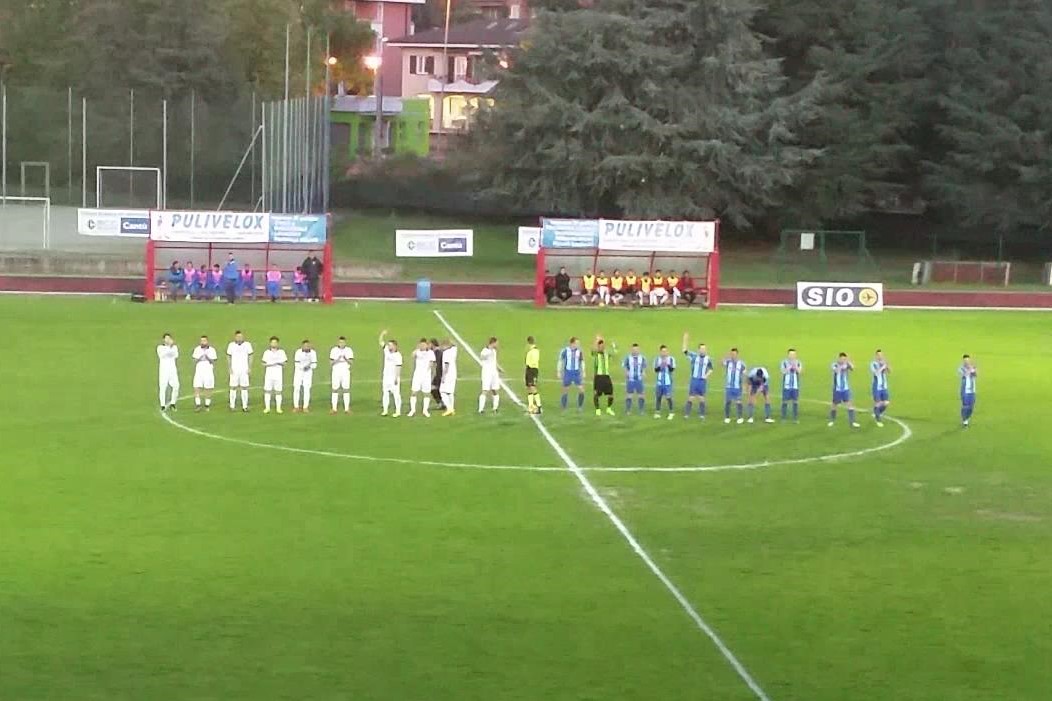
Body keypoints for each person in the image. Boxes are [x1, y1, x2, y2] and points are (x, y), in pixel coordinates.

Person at [681, 332, 713, 419]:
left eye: (704, 349)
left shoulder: (708, 359)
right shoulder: (694, 356)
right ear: (698, 350)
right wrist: (685, 339)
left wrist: (706, 376)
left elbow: (711, 369)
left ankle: (702, 414)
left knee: (701, 398)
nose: (703, 350)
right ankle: (687, 414)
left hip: (702, 381)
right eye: (702, 349)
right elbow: (684, 350)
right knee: (691, 397)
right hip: (694, 380)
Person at [829, 352, 861, 428]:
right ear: (839, 358)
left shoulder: (846, 364)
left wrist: (848, 362)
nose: (843, 360)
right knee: (834, 405)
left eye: (844, 359)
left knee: (849, 404)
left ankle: (852, 422)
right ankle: (832, 420)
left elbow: (853, 368)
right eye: (842, 359)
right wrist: (841, 366)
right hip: (837, 389)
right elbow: (836, 371)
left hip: (845, 389)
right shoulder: (835, 364)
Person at [407, 338, 436, 418]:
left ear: (427, 345)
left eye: (424, 344)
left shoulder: (430, 353)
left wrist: (428, 370)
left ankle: (425, 410)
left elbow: (431, 363)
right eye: (421, 344)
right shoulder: (417, 352)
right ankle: (412, 410)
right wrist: (417, 349)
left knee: (426, 393)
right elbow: (412, 355)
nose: (422, 346)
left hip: (426, 377)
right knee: (414, 392)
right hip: (417, 376)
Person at [226, 330, 253, 412]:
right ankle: (232, 406)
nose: (239, 338)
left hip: (244, 369)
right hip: (234, 369)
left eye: (241, 336)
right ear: (235, 337)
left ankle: (245, 406)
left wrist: (249, 367)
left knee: (244, 387)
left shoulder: (247, 345)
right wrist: (229, 367)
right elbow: (228, 356)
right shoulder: (231, 345)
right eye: (238, 337)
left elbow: (251, 356)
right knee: (233, 387)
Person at [378, 330, 403, 417]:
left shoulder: (398, 355)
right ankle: (385, 410)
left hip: (393, 377)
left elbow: (398, 367)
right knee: (385, 393)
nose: (389, 346)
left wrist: (396, 377)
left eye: (390, 345)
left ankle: (398, 411)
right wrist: (382, 334)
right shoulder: (386, 351)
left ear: (395, 346)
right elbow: (381, 341)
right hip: (386, 376)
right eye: (388, 345)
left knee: (396, 394)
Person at [558, 336, 586, 411]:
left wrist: (583, 371)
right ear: (572, 343)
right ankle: (563, 407)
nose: (578, 344)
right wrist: (559, 371)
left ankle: (580, 407)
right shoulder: (565, 351)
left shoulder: (579, 351)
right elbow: (560, 361)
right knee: (565, 390)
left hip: (576, 372)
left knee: (581, 390)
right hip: (568, 372)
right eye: (577, 343)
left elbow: (582, 362)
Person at [261, 336, 288, 414]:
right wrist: (270, 364)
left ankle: (278, 408)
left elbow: (285, 362)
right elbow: (263, 363)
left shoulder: (281, 352)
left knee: (278, 391)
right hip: (269, 375)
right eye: (272, 342)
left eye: (275, 342)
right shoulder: (266, 352)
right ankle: (267, 408)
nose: (274, 344)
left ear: (278, 343)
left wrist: (279, 363)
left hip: (278, 375)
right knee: (267, 391)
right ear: (270, 343)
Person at [191, 335, 218, 412]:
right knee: (197, 386)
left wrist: (207, 357)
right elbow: (194, 360)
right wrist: (200, 357)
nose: (203, 342)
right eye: (201, 341)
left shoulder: (212, 350)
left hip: (208, 370)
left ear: (207, 341)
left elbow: (213, 361)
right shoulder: (197, 349)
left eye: (204, 341)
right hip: (199, 370)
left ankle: (207, 404)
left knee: (208, 387)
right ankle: (198, 404)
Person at [592, 336, 616, 416]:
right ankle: (597, 409)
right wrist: (596, 340)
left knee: (611, 394)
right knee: (597, 394)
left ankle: (608, 408)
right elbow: (593, 349)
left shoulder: (606, 353)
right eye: (600, 346)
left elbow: (615, 353)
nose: (602, 347)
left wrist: (613, 345)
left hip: (606, 376)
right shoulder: (595, 353)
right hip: (598, 376)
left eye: (603, 346)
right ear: (598, 347)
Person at [329, 336, 354, 414]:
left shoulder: (349, 350)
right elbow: (331, 363)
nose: (341, 344)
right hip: (336, 371)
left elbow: (351, 362)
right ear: (338, 343)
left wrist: (346, 359)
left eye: (343, 342)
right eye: (340, 342)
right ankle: (334, 408)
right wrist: (338, 359)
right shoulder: (334, 350)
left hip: (345, 371)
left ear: (345, 343)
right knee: (335, 389)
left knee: (346, 389)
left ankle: (347, 409)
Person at [292, 339, 318, 413]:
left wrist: (309, 367)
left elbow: (314, 364)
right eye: (305, 346)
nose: (306, 347)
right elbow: (296, 363)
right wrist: (303, 367)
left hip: (308, 373)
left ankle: (305, 407)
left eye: (308, 345)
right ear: (302, 346)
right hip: (298, 372)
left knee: (307, 389)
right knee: (296, 388)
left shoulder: (313, 353)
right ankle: (296, 406)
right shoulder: (298, 352)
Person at [157, 333, 179, 411]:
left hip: (172, 370)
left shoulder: (174, 347)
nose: (168, 340)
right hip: (163, 370)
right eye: (166, 338)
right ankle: (162, 405)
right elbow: (162, 355)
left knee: (176, 386)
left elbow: (176, 355)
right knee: (163, 387)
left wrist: (170, 348)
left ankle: (173, 403)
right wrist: (170, 349)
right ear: (163, 339)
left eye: (169, 338)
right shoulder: (160, 347)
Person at [723, 348, 746, 424]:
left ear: (737, 354)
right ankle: (727, 417)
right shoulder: (728, 362)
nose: (733, 355)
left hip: (737, 386)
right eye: (732, 354)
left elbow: (744, 374)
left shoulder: (741, 364)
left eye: (734, 354)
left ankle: (740, 417)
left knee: (738, 402)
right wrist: (726, 356)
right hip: (729, 386)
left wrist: (744, 384)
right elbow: (720, 363)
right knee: (728, 401)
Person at [622, 343, 647, 414]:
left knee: (641, 395)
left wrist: (644, 373)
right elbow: (625, 366)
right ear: (631, 350)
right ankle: (628, 410)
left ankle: (641, 410)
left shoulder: (642, 358)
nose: (635, 351)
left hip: (639, 379)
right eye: (634, 349)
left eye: (636, 349)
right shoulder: (627, 358)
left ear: (639, 350)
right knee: (629, 395)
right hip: (631, 380)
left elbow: (644, 367)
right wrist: (626, 372)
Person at [652, 345, 676, 420]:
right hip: (659, 382)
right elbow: (656, 370)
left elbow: (672, 370)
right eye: (663, 351)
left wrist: (667, 364)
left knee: (668, 397)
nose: (664, 353)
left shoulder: (671, 359)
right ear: (660, 352)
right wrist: (661, 365)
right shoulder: (657, 359)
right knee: (658, 397)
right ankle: (657, 412)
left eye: (665, 351)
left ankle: (671, 412)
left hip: (668, 382)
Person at [479, 337, 501, 414]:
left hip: (494, 373)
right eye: (496, 343)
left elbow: (494, 361)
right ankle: (481, 409)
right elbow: (481, 357)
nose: (497, 345)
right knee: (485, 390)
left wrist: (499, 368)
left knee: (495, 390)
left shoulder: (494, 351)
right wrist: (488, 354)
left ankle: (495, 408)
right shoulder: (485, 351)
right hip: (486, 373)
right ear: (493, 343)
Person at [780, 349, 803, 422]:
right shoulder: (784, 362)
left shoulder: (798, 362)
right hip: (786, 386)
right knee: (785, 401)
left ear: (795, 355)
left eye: (793, 354)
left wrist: (795, 367)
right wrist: (790, 367)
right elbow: (783, 371)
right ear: (788, 355)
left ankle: (795, 418)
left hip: (795, 386)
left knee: (795, 401)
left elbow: (799, 372)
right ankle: (783, 417)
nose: (792, 356)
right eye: (790, 354)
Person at [870, 349, 891, 427]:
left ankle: (876, 413)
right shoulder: (873, 363)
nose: (880, 356)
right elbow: (876, 373)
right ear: (876, 356)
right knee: (878, 403)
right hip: (876, 387)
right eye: (878, 355)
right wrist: (882, 367)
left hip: (884, 386)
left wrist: (887, 366)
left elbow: (889, 371)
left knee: (886, 403)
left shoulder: (884, 362)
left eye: (881, 355)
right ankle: (878, 420)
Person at [440, 339, 458, 416]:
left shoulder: (446, 353)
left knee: (442, 391)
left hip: (448, 375)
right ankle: (452, 408)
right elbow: (455, 345)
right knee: (450, 392)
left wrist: (443, 376)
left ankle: (449, 408)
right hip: (453, 374)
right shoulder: (453, 350)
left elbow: (446, 365)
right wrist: (451, 341)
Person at [959, 354, 978, 427]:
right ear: (963, 361)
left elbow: (975, 375)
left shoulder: (973, 367)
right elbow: (965, 375)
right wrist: (970, 370)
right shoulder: (961, 368)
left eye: (968, 360)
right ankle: (964, 419)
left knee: (971, 407)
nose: (967, 361)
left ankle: (967, 417)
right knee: (965, 405)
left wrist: (973, 370)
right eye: (965, 360)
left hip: (972, 390)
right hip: (965, 391)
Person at [525, 336, 542, 414]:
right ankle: (531, 406)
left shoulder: (534, 351)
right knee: (529, 387)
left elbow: (534, 362)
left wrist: (530, 367)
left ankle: (539, 406)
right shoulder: (532, 350)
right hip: (529, 369)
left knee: (532, 387)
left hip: (532, 370)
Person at [429, 338, 445, 410]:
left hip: (438, 374)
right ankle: (442, 403)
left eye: (429, 344)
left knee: (433, 388)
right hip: (439, 373)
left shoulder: (437, 352)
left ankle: (441, 403)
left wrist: (435, 375)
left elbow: (437, 365)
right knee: (437, 388)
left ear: (432, 344)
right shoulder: (437, 351)